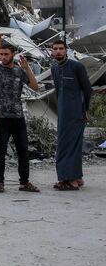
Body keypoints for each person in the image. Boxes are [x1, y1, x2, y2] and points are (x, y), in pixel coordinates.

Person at [0, 43, 40, 193]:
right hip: (1, 117)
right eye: (1, 54)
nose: (3, 57)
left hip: (17, 116)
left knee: (23, 149)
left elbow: (35, 87)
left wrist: (27, 68)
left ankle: (24, 182)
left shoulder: (19, 71)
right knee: (1, 150)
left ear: (13, 54)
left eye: (6, 54)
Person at [50, 39, 92, 191]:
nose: (58, 51)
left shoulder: (77, 67)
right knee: (63, 144)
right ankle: (73, 177)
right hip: (63, 113)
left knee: (72, 145)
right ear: (52, 51)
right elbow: (57, 90)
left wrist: (86, 109)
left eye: (61, 48)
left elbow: (87, 89)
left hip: (76, 112)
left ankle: (69, 179)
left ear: (66, 50)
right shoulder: (54, 68)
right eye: (55, 49)